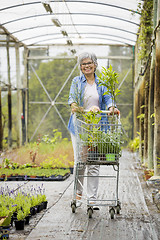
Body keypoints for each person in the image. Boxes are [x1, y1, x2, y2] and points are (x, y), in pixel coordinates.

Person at [68, 52, 119, 209]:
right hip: (80, 127)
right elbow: (72, 100)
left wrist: (112, 108)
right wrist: (79, 108)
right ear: (80, 67)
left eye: (89, 63)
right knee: (81, 162)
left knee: (94, 163)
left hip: (97, 128)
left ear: (95, 64)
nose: (86, 66)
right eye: (83, 64)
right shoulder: (77, 82)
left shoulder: (102, 83)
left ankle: (92, 199)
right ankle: (77, 194)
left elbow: (109, 98)